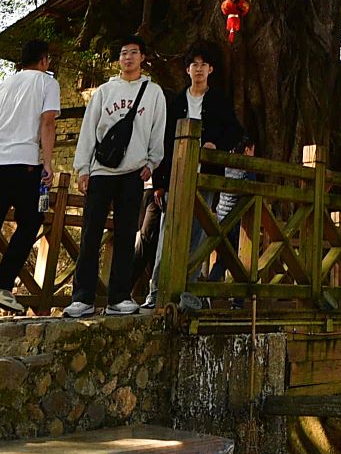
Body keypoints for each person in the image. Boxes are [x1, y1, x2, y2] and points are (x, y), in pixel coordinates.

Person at [0, 40, 64, 319]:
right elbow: (48, 122)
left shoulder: (3, 86)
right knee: (32, 221)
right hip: (24, 164)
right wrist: (48, 162)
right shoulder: (47, 83)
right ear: (44, 60)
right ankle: (2, 283)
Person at [66, 35, 166, 318]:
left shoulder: (153, 92)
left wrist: (152, 161)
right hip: (101, 170)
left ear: (143, 57)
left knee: (125, 235)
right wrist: (82, 168)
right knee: (91, 233)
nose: (128, 57)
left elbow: (158, 128)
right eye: (123, 53)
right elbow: (89, 128)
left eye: (134, 52)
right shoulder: (104, 91)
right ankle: (82, 297)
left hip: (134, 171)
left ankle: (119, 297)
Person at [141, 41, 246, 307]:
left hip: (205, 176)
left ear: (211, 69)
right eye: (193, 65)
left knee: (198, 235)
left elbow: (235, 131)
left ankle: (188, 291)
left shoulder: (218, 100)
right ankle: (156, 292)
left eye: (203, 65)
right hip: (176, 176)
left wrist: (215, 145)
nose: (198, 69)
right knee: (168, 233)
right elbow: (165, 143)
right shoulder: (176, 102)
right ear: (187, 70)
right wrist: (159, 184)